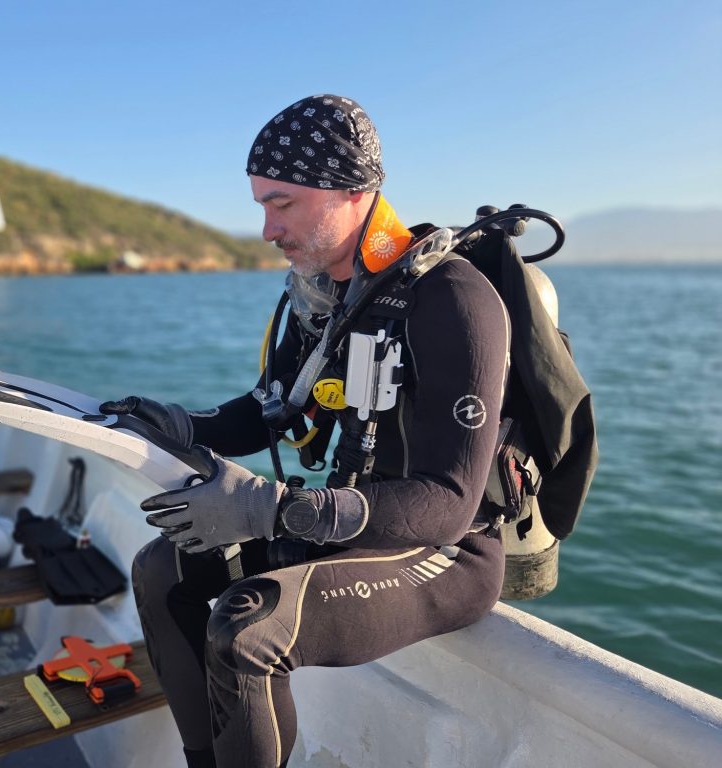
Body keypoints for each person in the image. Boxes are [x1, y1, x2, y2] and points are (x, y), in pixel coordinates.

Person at [104, 95, 511, 768]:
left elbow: (447, 502)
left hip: (447, 550)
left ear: (354, 191)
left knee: (247, 629)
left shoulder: (452, 299)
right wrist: (178, 422)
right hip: (348, 522)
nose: (267, 228)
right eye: (262, 204)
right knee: (160, 569)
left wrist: (272, 509)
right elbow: (269, 409)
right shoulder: (322, 296)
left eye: (282, 203)